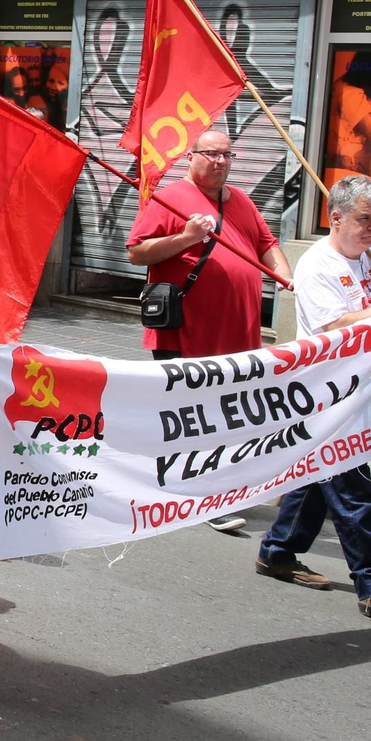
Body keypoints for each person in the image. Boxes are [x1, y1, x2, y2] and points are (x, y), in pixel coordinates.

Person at [257, 175, 371, 623]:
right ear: (336, 218)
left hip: (367, 384)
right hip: (328, 392)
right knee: (352, 485)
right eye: (364, 219)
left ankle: (277, 550)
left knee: (318, 473)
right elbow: (334, 329)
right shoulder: (317, 266)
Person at [126, 128, 292, 532]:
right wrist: (186, 237)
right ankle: (204, 497)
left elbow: (267, 243)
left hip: (236, 334)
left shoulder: (241, 201)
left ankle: (195, 482)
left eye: (227, 155)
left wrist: (286, 277)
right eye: (211, 154)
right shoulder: (170, 197)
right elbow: (136, 252)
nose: (220, 162)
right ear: (191, 157)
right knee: (194, 415)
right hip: (186, 331)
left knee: (225, 415)